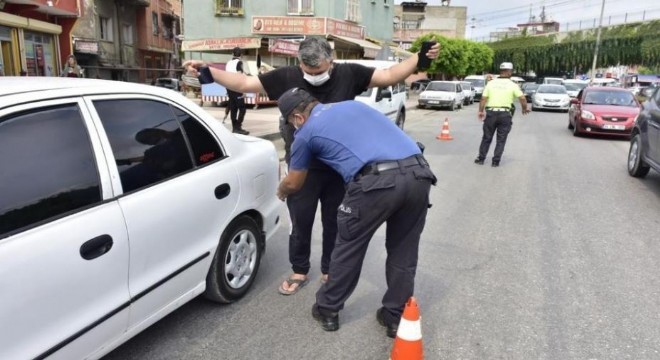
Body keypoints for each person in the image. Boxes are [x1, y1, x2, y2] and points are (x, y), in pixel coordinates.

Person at [183, 37, 439, 296]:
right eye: (308, 71)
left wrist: (420, 57)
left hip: (340, 168)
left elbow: (389, 75)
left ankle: (330, 269)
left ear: (332, 59)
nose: (315, 76)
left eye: (320, 71)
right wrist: (208, 71)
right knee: (300, 221)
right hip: (302, 166)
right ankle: (299, 269)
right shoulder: (286, 76)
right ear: (299, 63)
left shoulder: (349, 73)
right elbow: (245, 83)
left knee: (335, 221)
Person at [275, 88, 436, 336]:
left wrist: (281, 190)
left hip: (375, 183)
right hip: (419, 174)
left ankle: (328, 310)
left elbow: (295, 182)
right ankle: (394, 317)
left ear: (297, 117)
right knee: (404, 250)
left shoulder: (305, 134)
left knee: (349, 247)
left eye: (291, 123)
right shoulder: (353, 105)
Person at [475, 62, 530, 167]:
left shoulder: (491, 83)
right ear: (510, 72)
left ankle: (481, 159)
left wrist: (481, 111)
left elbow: (483, 98)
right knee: (501, 139)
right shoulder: (513, 85)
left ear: (500, 71)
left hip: (491, 113)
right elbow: (522, 98)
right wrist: (524, 108)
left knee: (487, 137)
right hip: (505, 115)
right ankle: (496, 161)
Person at [226, 47, 249, 134]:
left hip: (229, 87)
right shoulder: (239, 63)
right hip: (236, 88)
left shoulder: (228, 63)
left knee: (233, 108)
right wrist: (243, 91)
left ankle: (234, 128)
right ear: (241, 55)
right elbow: (240, 77)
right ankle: (238, 127)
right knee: (242, 108)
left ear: (232, 54)